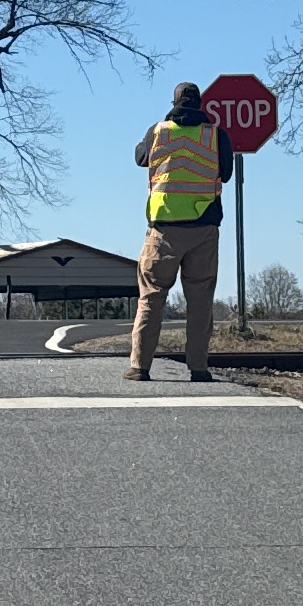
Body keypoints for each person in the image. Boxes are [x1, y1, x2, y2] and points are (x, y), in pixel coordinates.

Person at [130, 81, 227, 381]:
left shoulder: (158, 132)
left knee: (151, 297)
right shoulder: (215, 136)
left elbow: (139, 157)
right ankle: (198, 368)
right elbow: (226, 172)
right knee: (200, 301)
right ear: (200, 104)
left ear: (174, 103)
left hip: (163, 230)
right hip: (204, 227)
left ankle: (139, 366)